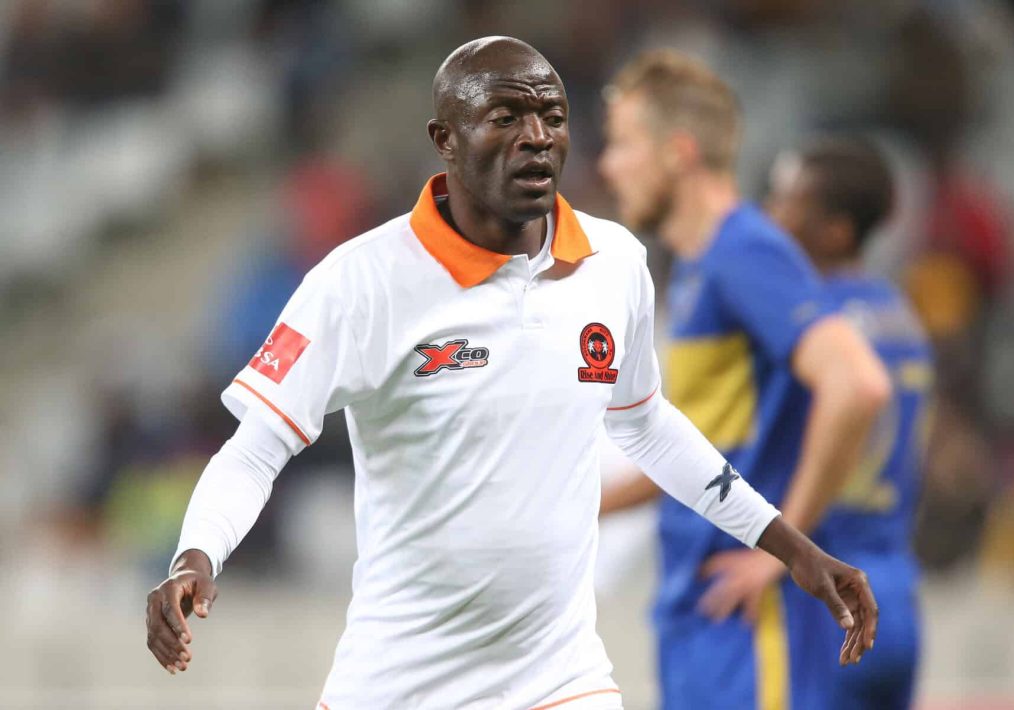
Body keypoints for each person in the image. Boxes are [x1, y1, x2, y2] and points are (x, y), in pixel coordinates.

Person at [145, 38, 877, 710]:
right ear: (445, 140)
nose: (537, 137)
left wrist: (792, 548)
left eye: (552, 118)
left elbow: (649, 427)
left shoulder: (615, 265)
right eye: (505, 117)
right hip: (397, 686)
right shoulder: (360, 281)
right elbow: (257, 447)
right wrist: (196, 554)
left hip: (560, 680)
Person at [598, 51, 891, 710]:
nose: (608, 166)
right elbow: (698, 449)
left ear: (677, 152)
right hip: (699, 604)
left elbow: (857, 383)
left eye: (622, 144)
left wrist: (781, 550)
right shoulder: (699, 267)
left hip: (750, 616)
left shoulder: (744, 251)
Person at [767, 137, 931, 710]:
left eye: (787, 201)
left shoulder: (813, 325)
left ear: (835, 231)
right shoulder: (900, 313)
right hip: (898, 587)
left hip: (828, 596)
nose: (771, 215)